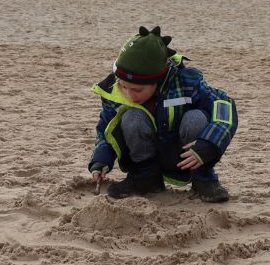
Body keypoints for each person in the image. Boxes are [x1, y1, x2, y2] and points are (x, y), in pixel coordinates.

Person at [87, 26, 235, 203]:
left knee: (195, 118)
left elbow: (224, 107)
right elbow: (105, 130)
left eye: (137, 89)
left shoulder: (187, 83)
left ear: (157, 79)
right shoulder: (114, 91)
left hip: (187, 156)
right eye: (123, 86)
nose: (128, 94)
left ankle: (203, 180)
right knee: (131, 117)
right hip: (143, 160)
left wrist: (209, 145)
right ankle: (145, 180)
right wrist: (101, 160)